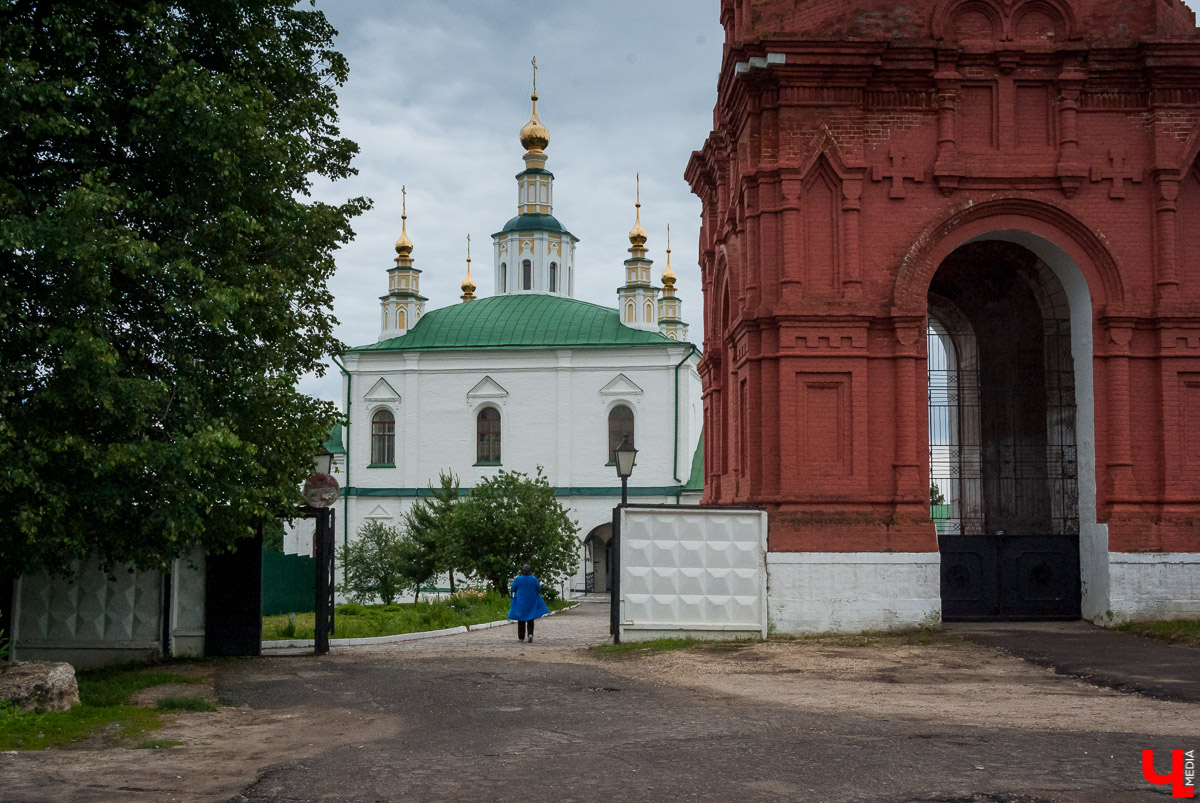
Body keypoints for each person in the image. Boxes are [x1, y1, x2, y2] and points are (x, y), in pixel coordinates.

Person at [508, 564, 550, 643]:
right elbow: (539, 588)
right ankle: (530, 634)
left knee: (521, 619)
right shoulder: (533, 579)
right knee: (530, 617)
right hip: (531, 600)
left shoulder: (518, 579)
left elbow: (513, 589)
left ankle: (521, 637)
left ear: (522, 571)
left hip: (520, 601)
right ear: (530, 571)